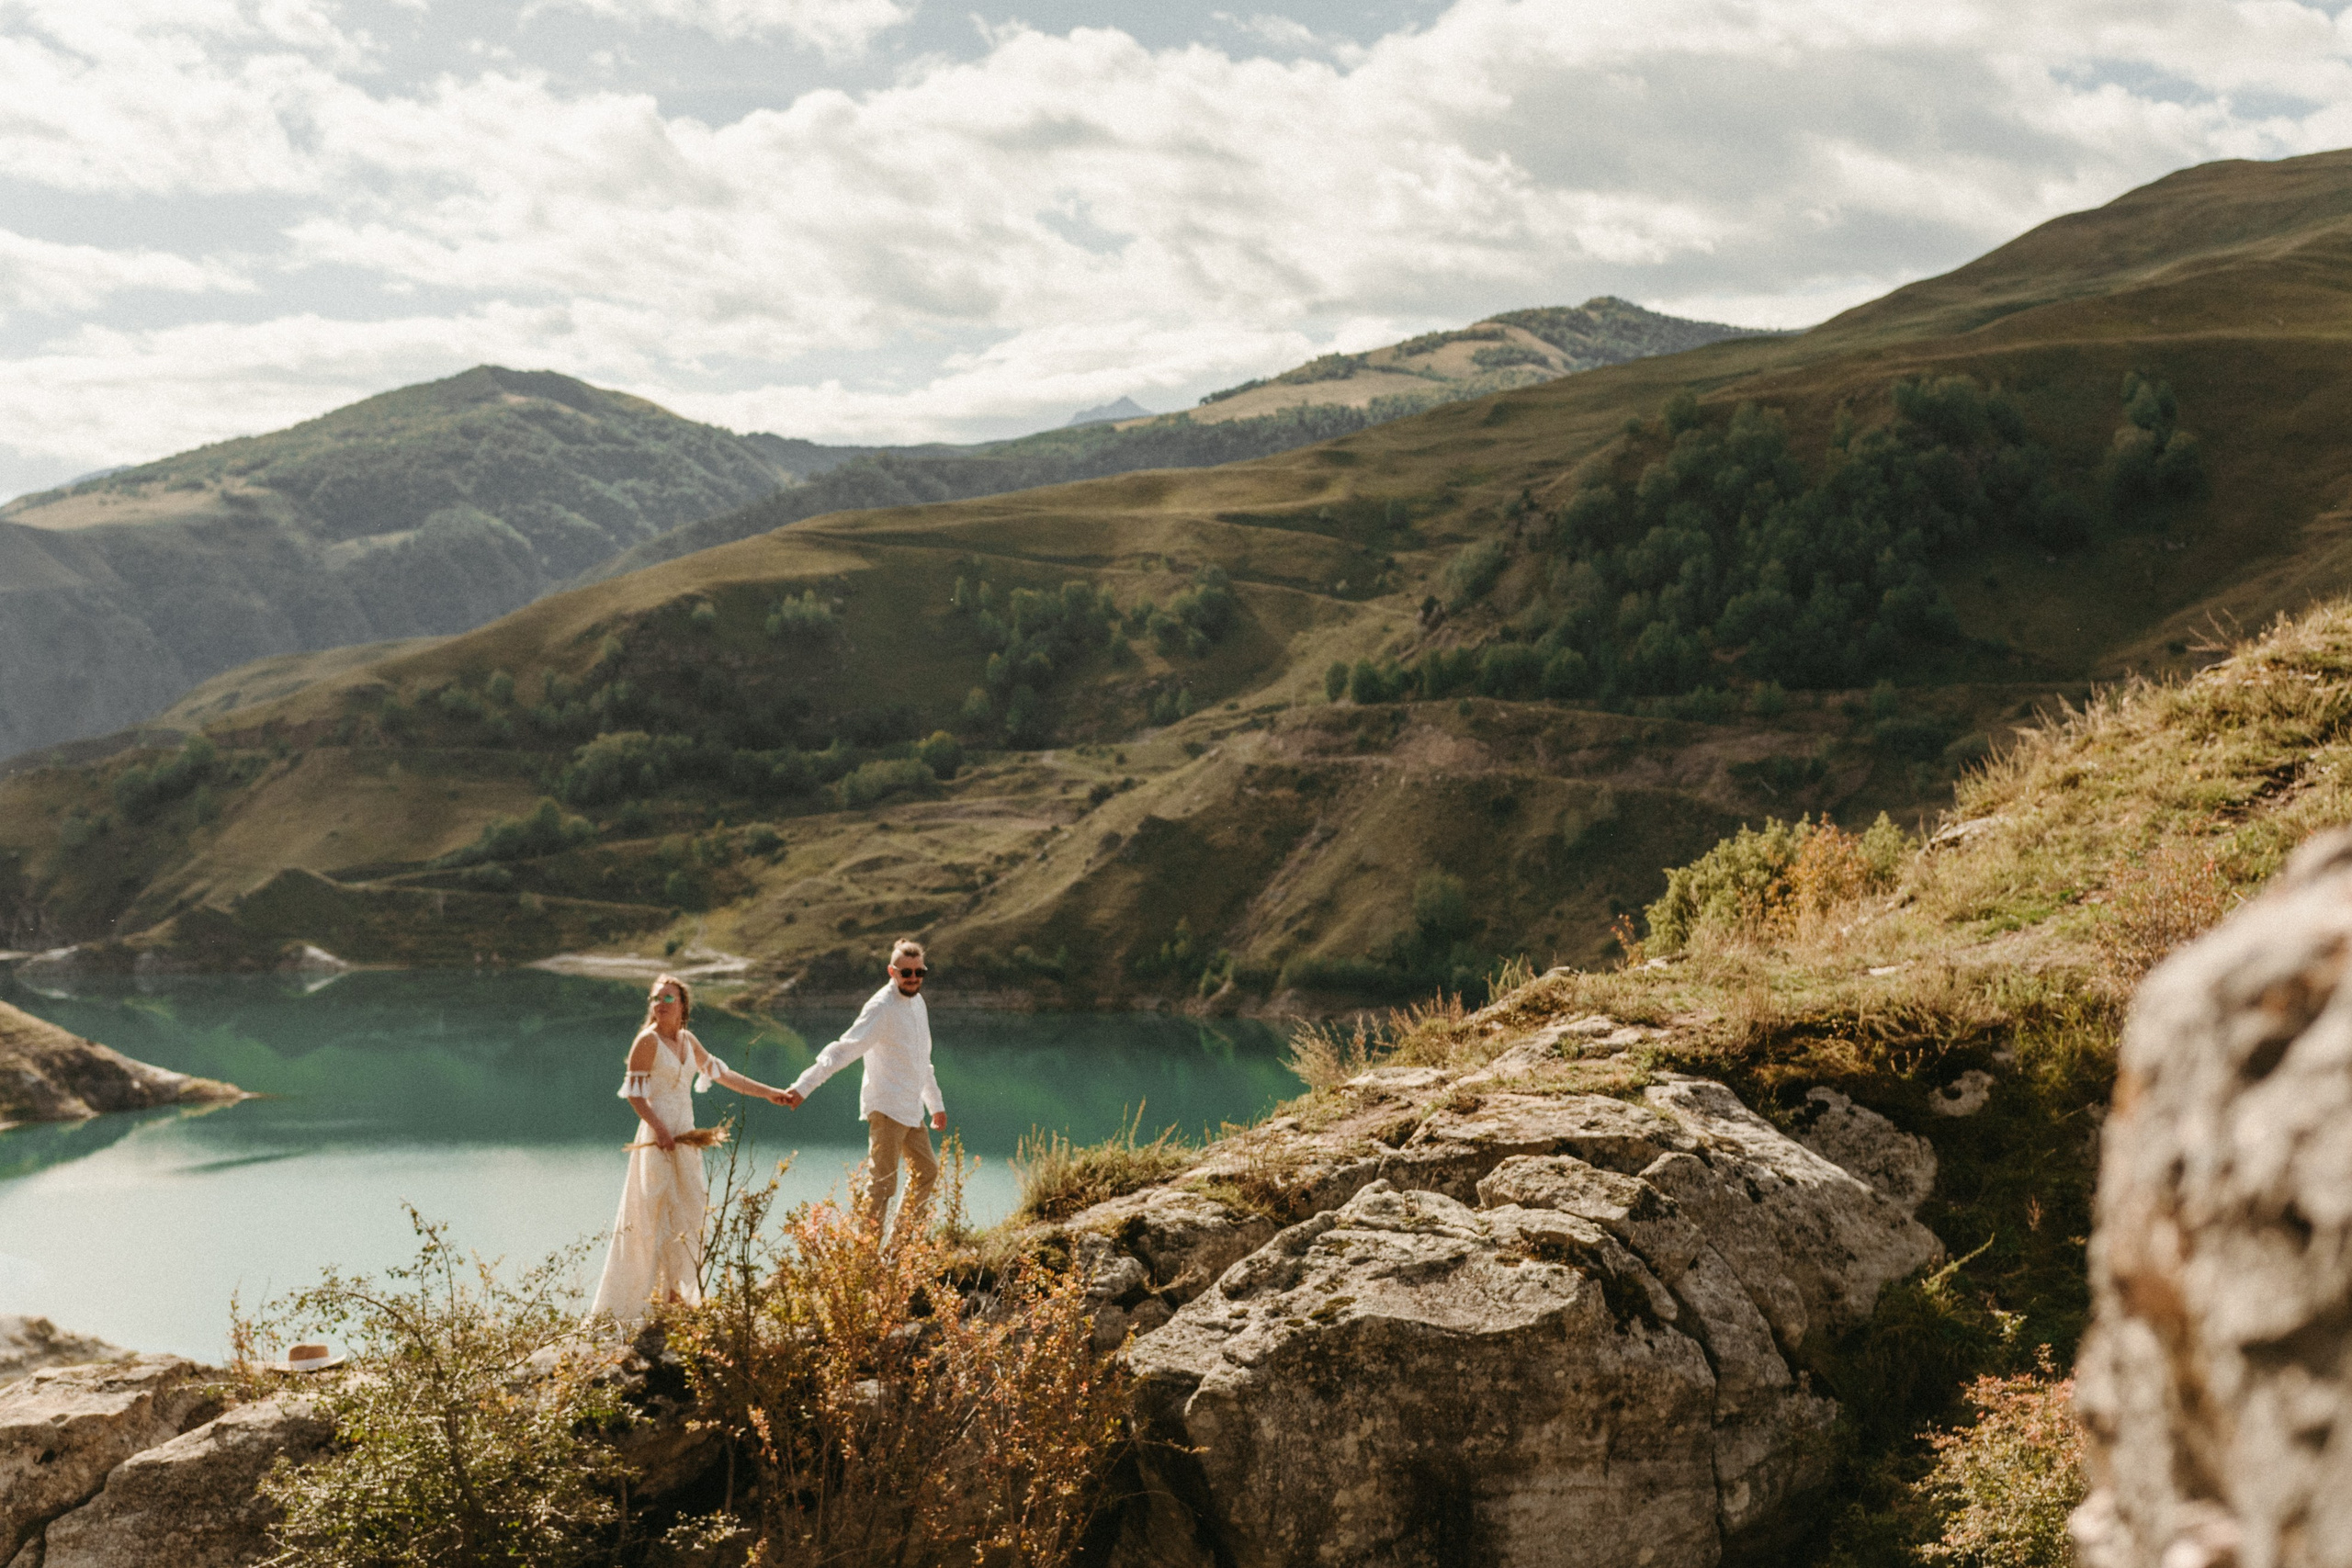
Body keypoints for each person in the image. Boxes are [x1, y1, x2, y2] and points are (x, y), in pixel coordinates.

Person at [589, 973, 789, 1327]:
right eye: (655, 999)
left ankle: (676, 1296)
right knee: (656, 1213)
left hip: (686, 1137)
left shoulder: (687, 1040)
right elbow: (635, 1095)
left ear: (683, 1006)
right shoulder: (646, 1042)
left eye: (668, 998)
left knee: (689, 1211)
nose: (660, 1005)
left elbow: (725, 1076)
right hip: (659, 1138)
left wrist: (770, 1092)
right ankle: (638, 1304)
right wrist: (661, 1130)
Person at [781, 939, 946, 1243]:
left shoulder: (918, 1003)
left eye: (919, 972)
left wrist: (935, 1103)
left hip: (911, 1108)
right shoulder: (881, 1008)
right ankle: (866, 1257)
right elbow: (844, 1049)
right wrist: (805, 1085)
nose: (913, 978)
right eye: (905, 972)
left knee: (927, 1171)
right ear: (891, 971)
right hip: (886, 1108)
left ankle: (898, 1250)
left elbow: (923, 1059)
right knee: (882, 1185)